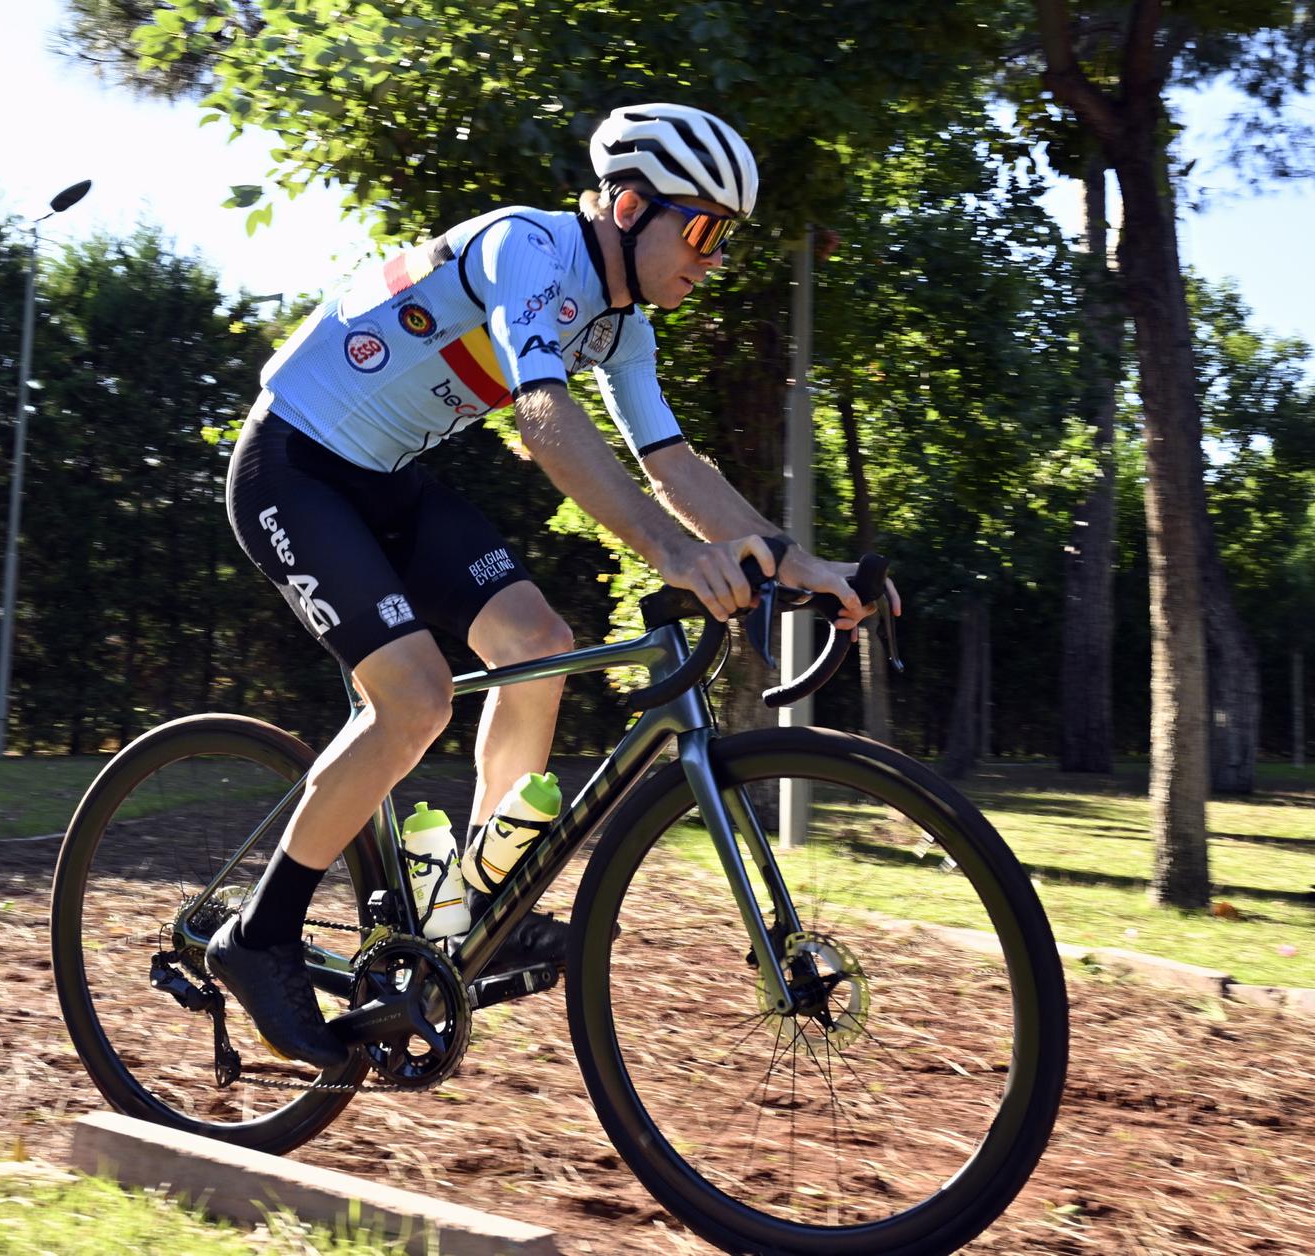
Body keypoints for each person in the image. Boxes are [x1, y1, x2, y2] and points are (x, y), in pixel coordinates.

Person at [208, 103, 894, 1069]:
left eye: (726, 238)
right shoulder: (528, 247)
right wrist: (670, 554)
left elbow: (675, 467)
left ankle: (465, 907)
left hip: (387, 478)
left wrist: (799, 564)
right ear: (627, 205)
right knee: (414, 698)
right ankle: (261, 933)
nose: (714, 256)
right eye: (702, 228)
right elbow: (541, 419)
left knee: (539, 643)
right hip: (293, 466)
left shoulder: (623, 330)